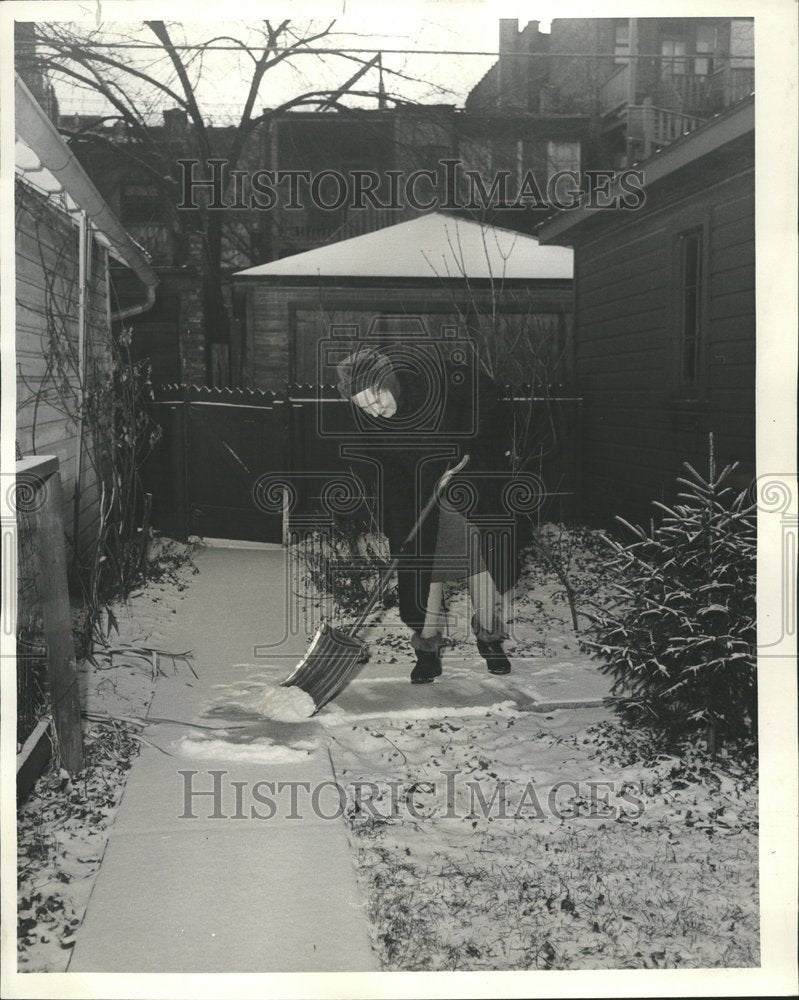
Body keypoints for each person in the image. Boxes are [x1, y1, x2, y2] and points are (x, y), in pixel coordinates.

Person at [336, 341, 520, 684]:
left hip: (465, 493)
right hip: (419, 500)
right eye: (363, 406)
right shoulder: (372, 426)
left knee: (480, 566)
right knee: (426, 571)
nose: (373, 410)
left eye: (376, 398)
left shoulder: (433, 380)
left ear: (388, 383)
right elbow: (382, 471)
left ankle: (490, 640)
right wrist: (399, 514)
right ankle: (427, 652)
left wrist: (469, 442)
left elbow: (489, 395)